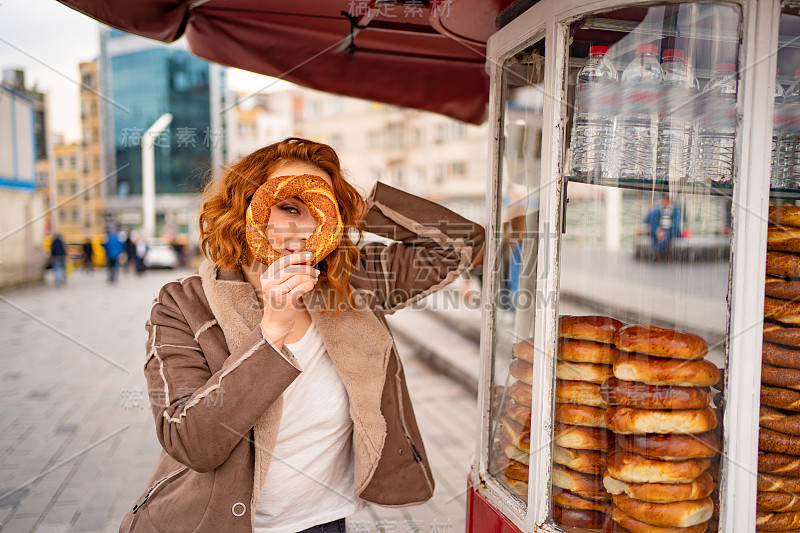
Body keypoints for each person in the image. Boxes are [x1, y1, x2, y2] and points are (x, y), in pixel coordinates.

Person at [118, 138, 486, 533]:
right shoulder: (184, 304)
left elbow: (464, 244)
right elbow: (190, 441)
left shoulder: (353, 283)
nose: (306, 226)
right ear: (244, 208)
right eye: (290, 206)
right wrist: (271, 331)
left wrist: (359, 208)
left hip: (324, 522)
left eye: (321, 211)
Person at [645, 193, 682, 261]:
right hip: (659, 231)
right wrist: (658, 230)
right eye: (663, 200)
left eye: (665, 200)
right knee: (656, 236)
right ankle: (659, 252)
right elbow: (653, 222)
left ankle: (658, 252)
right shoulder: (657, 211)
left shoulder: (675, 211)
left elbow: (676, 224)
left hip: (670, 231)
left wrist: (665, 232)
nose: (664, 202)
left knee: (666, 237)